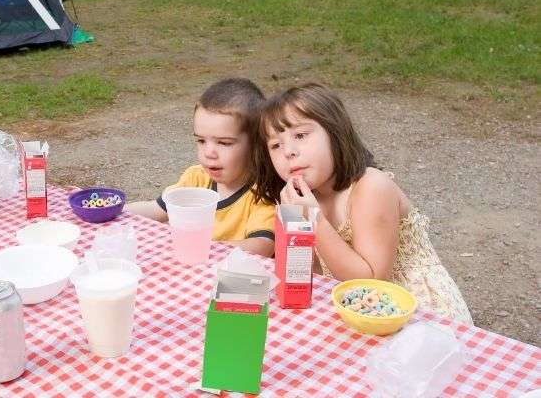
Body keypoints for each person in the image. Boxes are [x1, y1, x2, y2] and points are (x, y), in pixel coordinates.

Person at [251, 83, 473, 324]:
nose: (289, 152)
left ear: (335, 133)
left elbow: (372, 281)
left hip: (415, 312)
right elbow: (308, 275)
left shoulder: (371, 187)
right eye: (275, 145)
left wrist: (314, 220)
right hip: (355, 308)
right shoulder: (302, 197)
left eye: (301, 135)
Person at [128, 78, 276, 257]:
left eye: (224, 143)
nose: (209, 152)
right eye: (201, 140)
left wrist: (200, 247)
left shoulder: (262, 191)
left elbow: (263, 246)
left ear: (255, 143)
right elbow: (156, 209)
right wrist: (111, 208)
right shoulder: (196, 178)